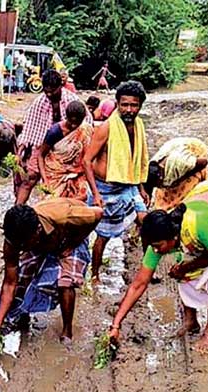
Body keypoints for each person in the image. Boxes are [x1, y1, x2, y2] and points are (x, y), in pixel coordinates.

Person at [108, 178, 208, 353]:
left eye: (158, 246)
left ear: (173, 238)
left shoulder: (197, 226)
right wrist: (116, 324)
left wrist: (187, 267)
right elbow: (138, 284)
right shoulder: (160, 238)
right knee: (183, 266)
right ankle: (191, 321)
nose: (155, 251)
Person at [0, 199, 103, 343]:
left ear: (38, 231)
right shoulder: (14, 239)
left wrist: (74, 243)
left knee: (66, 282)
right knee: (22, 274)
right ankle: (22, 316)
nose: (20, 248)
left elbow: (99, 213)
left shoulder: (64, 216)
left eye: (24, 245)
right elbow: (9, 283)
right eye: (18, 245)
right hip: (42, 244)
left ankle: (67, 331)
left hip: (69, 239)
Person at [83, 81, 150, 283]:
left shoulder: (138, 125)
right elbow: (86, 161)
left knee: (146, 221)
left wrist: (141, 187)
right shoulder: (107, 128)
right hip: (106, 188)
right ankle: (94, 275)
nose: (129, 109)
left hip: (128, 184)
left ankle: (146, 269)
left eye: (134, 105)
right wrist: (95, 194)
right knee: (103, 235)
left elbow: (135, 158)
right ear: (117, 104)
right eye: (124, 105)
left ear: (140, 106)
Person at [15, 69, 89, 204]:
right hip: (44, 143)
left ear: (60, 86)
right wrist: (20, 152)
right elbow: (29, 129)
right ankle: (16, 211)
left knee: (72, 182)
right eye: (46, 91)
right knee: (30, 178)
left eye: (52, 91)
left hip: (69, 148)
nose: (49, 94)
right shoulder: (39, 102)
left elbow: (86, 127)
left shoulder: (72, 100)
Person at [37, 101, 95, 201]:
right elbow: (41, 155)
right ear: (66, 116)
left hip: (78, 174)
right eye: (70, 121)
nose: (73, 126)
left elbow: (89, 156)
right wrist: (45, 180)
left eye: (77, 123)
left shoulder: (85, 129)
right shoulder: (55, 132)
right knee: (51, 203)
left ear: (83, 119)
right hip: (55, 174)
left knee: (82, 200)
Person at [148, 137, 208, 210]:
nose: (159, 186)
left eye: (159, 184)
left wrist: (182, 178)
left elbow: (204, 162)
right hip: (176, 154)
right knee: (165, 194)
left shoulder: (182, 162)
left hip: (193, 158)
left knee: (183, 199)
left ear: (161, 176)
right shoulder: (152, 168)